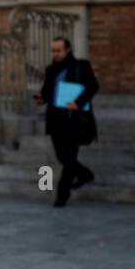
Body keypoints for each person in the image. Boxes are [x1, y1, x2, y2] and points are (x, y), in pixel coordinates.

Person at [33, 36, 99, 207]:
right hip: (55, 119)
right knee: (61, 156)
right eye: (53, 50)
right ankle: (85, 174)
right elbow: (47, 92)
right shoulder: (51, 70)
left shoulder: (81, 66)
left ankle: (62, 194)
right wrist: (42, 98)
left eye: (59, 50)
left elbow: (93, 86)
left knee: (69, 158)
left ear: (68, 50)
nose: (55, 54)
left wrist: (78, 102)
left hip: (74, 119)